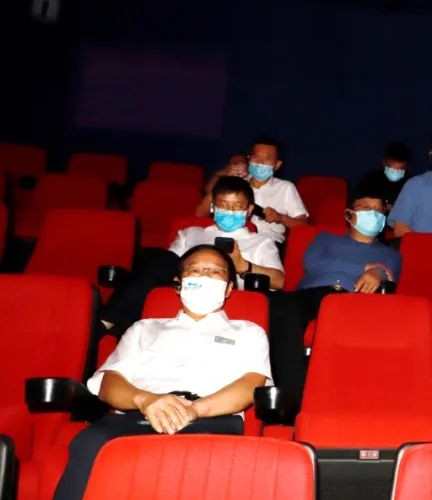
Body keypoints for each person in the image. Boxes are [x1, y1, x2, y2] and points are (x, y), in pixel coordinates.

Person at [37, 245, 273, 500]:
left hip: (211, 417)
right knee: (87, 443)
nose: (205, 276)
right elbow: (110, 381)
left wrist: (194, 410)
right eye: (196, 270)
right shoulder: (143, 329)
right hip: (139, 413)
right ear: (178, 283)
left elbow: (250, 385)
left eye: (215, 272)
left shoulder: (249, 332)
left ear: (228, 289)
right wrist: (145, 400)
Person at [100, 176, 284, 336]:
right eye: (224, 205)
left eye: (237, 207)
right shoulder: (191, 233)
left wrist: (243, 265)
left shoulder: (261, 242)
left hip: (227, 302)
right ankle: (111, 324)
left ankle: (106, 325)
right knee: (154, 258)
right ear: (213, 207)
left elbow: (279, 281)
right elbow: (162, 269)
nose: (230, 212)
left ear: (249, 210)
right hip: (182, 297)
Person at [269, 185, 402, 399]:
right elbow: (313, 263)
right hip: (311, 294)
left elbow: (389, 273)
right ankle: (292, 395)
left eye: (378, 210)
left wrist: (377, 272)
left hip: (352, 299)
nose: (372, 213)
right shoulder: (325, 239)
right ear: (349, 214)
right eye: (365, 208)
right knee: (281, 306)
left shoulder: (390, 254)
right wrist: (364, 268)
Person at [196, 138, 308, 244]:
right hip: (233, 237)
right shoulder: (237, 182)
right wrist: (224, 182)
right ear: (249, 159)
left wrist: (280, 217)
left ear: (277, 164)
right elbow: (200, 214)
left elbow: (303, 224)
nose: (260, 162)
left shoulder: (285, 187)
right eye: (256, 157)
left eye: (267, 158)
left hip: (268, 241)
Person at [357, 141, 412, 207]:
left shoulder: (411, 185)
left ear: (406, 166)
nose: (395, 173)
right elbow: (359, 202)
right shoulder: (370, 181)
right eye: (391, 169)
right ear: (384, 162)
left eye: (399, 170)